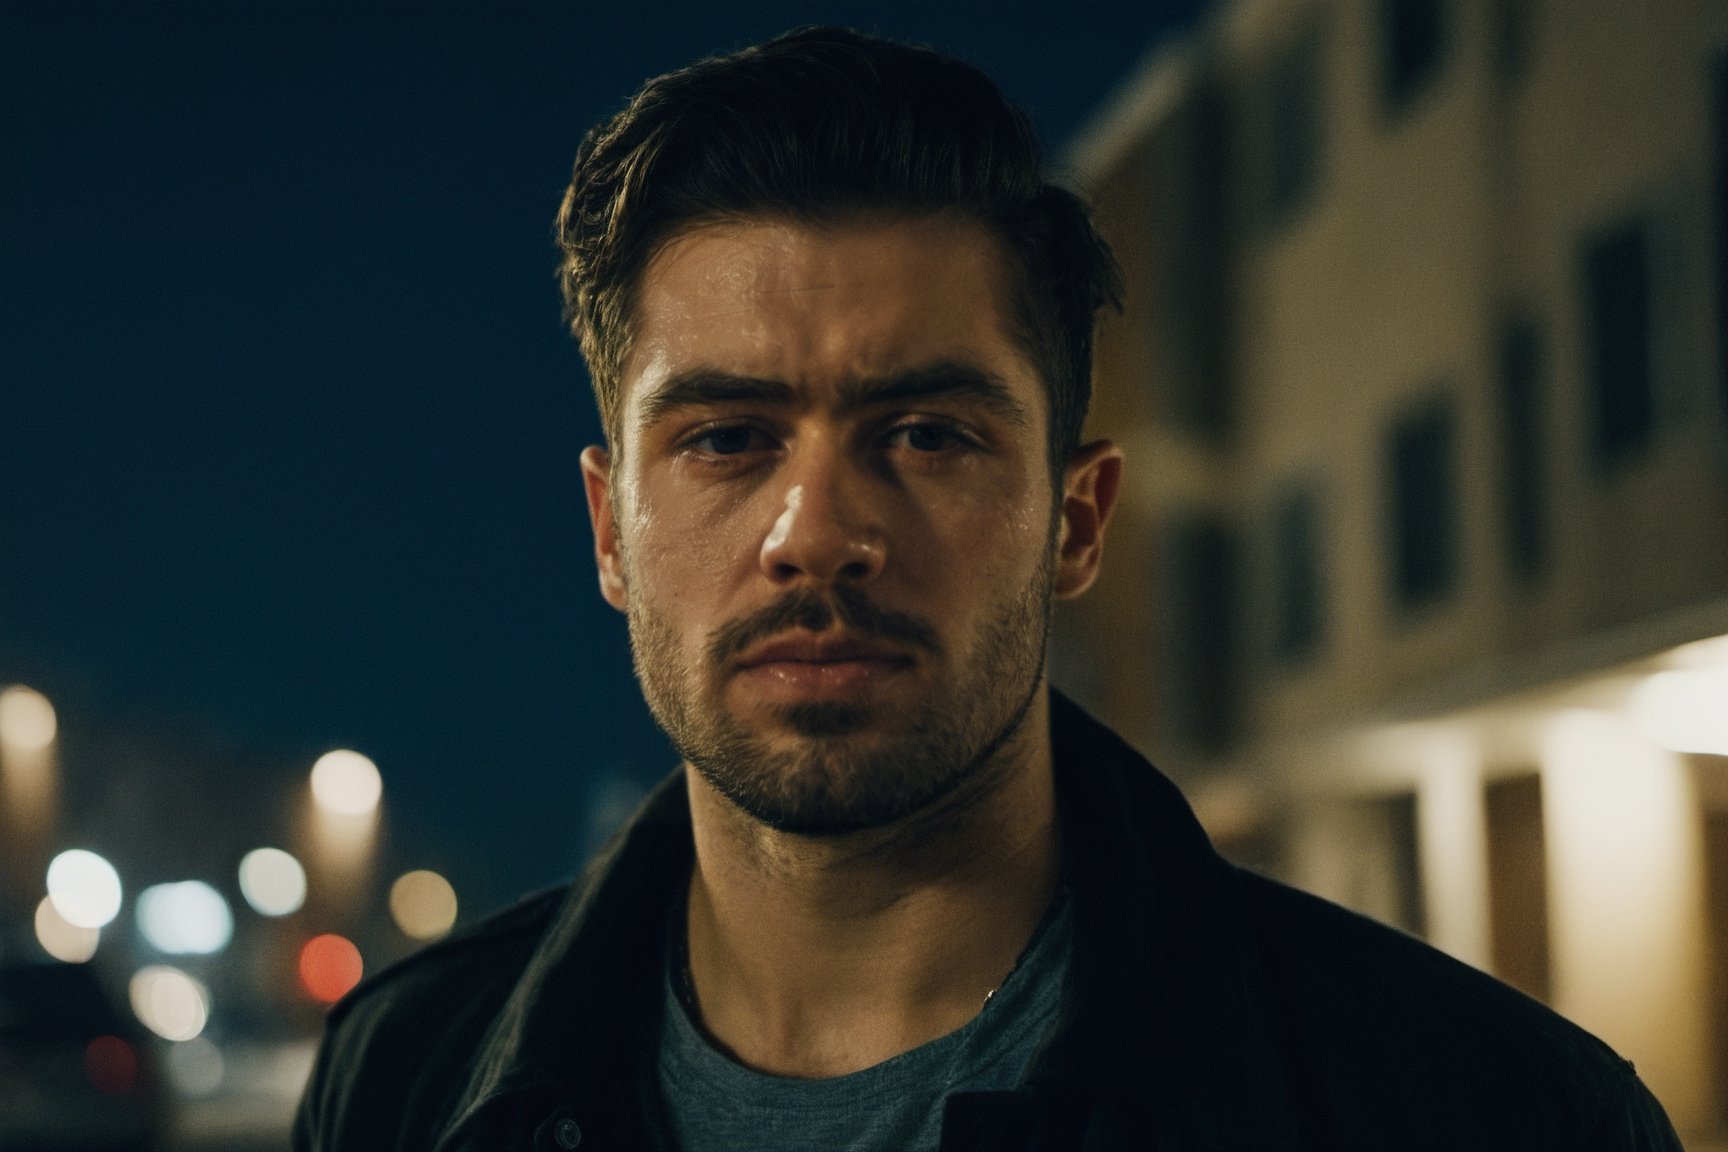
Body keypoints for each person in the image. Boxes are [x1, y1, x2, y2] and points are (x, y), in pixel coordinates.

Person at [293, 27, 1681, 1152]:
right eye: (726, 439)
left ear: (1076, 521)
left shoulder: (1482, 1112)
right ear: (610, 526)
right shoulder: (408, 1084)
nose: (816, 532)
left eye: (928, 434)